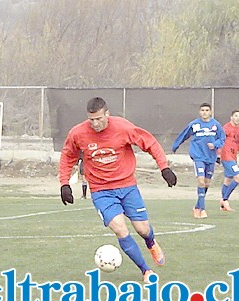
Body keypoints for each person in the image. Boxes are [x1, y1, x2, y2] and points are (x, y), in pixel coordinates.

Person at [59, 97, 177, 282]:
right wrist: (64, 183)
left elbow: (150, 143)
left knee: (143, 229)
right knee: (120, 229)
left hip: (127, 186)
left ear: (107, 114)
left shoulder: (123, 127)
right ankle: (146, 271)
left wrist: (164, 167)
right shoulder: (78, 133)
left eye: (99, 119)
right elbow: (67, 157)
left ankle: (151, 242)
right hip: (101, 191)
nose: (95, 124)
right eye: (91, 120)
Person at [172, 102, 225, 218]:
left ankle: (197, 206)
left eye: (207, 110)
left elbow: (222, 139)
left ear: (210, 112)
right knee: (200, 181)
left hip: (210, 157)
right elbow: (184, 134)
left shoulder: (216, 125)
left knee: (206, 183)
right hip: (198, 156)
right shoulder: (195, 124)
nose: (204, 112)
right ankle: (202, 209)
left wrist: (215, 144)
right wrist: (176, 145)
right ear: (199, 112)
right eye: (202, 110)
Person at [218, 109, 239, 211]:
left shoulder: (238, 129)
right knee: (238, 177)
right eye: (236, 116)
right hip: (226, 157)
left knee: (227, 180)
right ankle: (225, 200)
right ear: (231, 117)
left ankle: (222, 206)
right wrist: (218, 155)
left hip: (233, 157)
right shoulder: (226, 128)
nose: (238, 118)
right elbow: (220, 141)